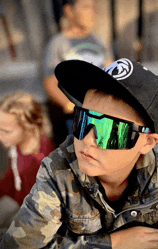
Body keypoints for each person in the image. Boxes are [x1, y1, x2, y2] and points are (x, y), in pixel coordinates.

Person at [0, 58, 158, 249]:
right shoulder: (58, 174)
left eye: (111, 131)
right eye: (83, 120)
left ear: (147, 143)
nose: (86, 141)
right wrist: (110, 247)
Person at [43, 0, 114, 146]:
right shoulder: (58, 44)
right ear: (69, 11)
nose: (92, 14)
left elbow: (111, 72)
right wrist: (71, 106)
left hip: (104, 114)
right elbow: (50, 82)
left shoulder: (99, 40)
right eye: (86, 8)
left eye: (94, 8)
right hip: (77, 118)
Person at [0, 91, 54, 207]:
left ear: (28, 127)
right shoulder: (18, 146)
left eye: (7, 131)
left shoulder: (38, 161)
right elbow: (9, 181)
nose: (0, 136)